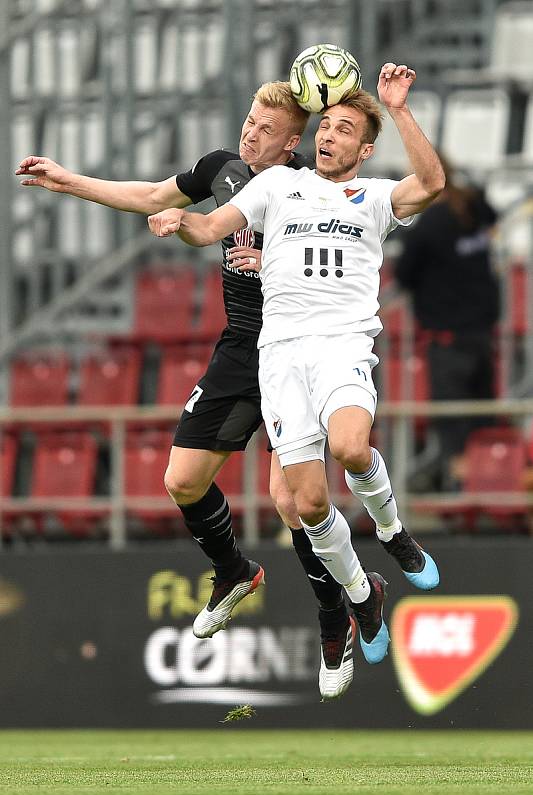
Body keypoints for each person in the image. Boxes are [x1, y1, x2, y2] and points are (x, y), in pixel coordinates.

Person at [16, 82, 356, 685]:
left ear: (292, 142)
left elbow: (349, 250)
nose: (251, 133)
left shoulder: (312, 183)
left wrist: (279, 258)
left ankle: (336, 615)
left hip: (294, 348)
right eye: (250, 120)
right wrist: (70, 181)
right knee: (181, 480)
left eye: (266, 130)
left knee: (292, 502)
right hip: (239, 349)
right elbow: (149, 194)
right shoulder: (221, 170)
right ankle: (234, 572)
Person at [147, 62, 445, 700]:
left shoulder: (374, 198)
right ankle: (364, 595)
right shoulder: (278, 184)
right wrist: (180, 225)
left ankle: (394, 535)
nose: (328, 137)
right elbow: (210, 227)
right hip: (276, 354)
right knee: (305, 505)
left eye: (343, 130)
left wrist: (397, 108)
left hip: (341, 347)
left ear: (364, 149)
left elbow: (433, 183)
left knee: (352, 447)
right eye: (326, 126)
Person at [395, 154, 499, 489]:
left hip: (449, 342)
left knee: (455, 430)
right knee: (483, 422)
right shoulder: (472, 206)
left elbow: (402, 275)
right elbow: (492, 217)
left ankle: (464, 501)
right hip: (483, 336)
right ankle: (489, 492)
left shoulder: (427, 228)